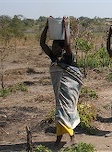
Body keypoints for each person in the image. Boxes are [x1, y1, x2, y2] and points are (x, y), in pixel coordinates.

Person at [40, 16, 83, 146]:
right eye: (53, 46)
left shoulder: (68, 57)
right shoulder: (55, 58)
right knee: (60, 112)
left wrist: (66, 26)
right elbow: (42, 44)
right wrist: (47, 27)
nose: (53, 49)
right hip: (60, 92)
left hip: (70, 91)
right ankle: (61, 138)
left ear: (62, 48)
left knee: (68, 110)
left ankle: (72, 136)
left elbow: (68, 44)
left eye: (55, 46)